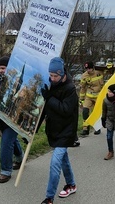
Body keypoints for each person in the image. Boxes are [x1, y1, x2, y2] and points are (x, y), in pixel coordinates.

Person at [39, 57, 78, 204]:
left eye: (55, 76)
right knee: (64, 160)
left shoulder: (71, 89)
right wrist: (33, 130)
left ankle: (49, 198)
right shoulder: (50, 85)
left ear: (62, 74)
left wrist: (49, 98)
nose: (52, 78)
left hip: (66, 131)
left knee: (55, 162)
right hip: (54, 130)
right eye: (51, 75)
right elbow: (45, 108)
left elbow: (65, 110)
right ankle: (71, 184)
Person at [0, 56, 23, 184]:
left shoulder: (16, 81)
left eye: (4, 68)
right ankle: (19, 157)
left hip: (13, 117)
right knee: (10, 140)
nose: (1, 70)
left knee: (6, 143)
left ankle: (6, 171)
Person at [79, 61, 104, 136]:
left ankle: (97, 128)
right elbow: (82, 88)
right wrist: (81, 99)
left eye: (89, 68)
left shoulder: (99, 72)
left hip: (98, 96)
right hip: (89, 96)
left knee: (96, 113)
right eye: (87, 69)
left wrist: (110, 66)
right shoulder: (84, 76)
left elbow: (111, 72)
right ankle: (85, 129)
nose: (88, 70)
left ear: (93, 67)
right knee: (85, 112)